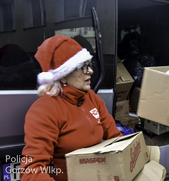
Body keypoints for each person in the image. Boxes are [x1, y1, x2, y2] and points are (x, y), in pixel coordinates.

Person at [20, 35, 123, 181]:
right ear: (62, 75)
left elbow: (115, 138)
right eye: (83, 67)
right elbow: (32, 172)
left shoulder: (91, 97)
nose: (90, 71)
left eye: (90, 65)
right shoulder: (45, 110)